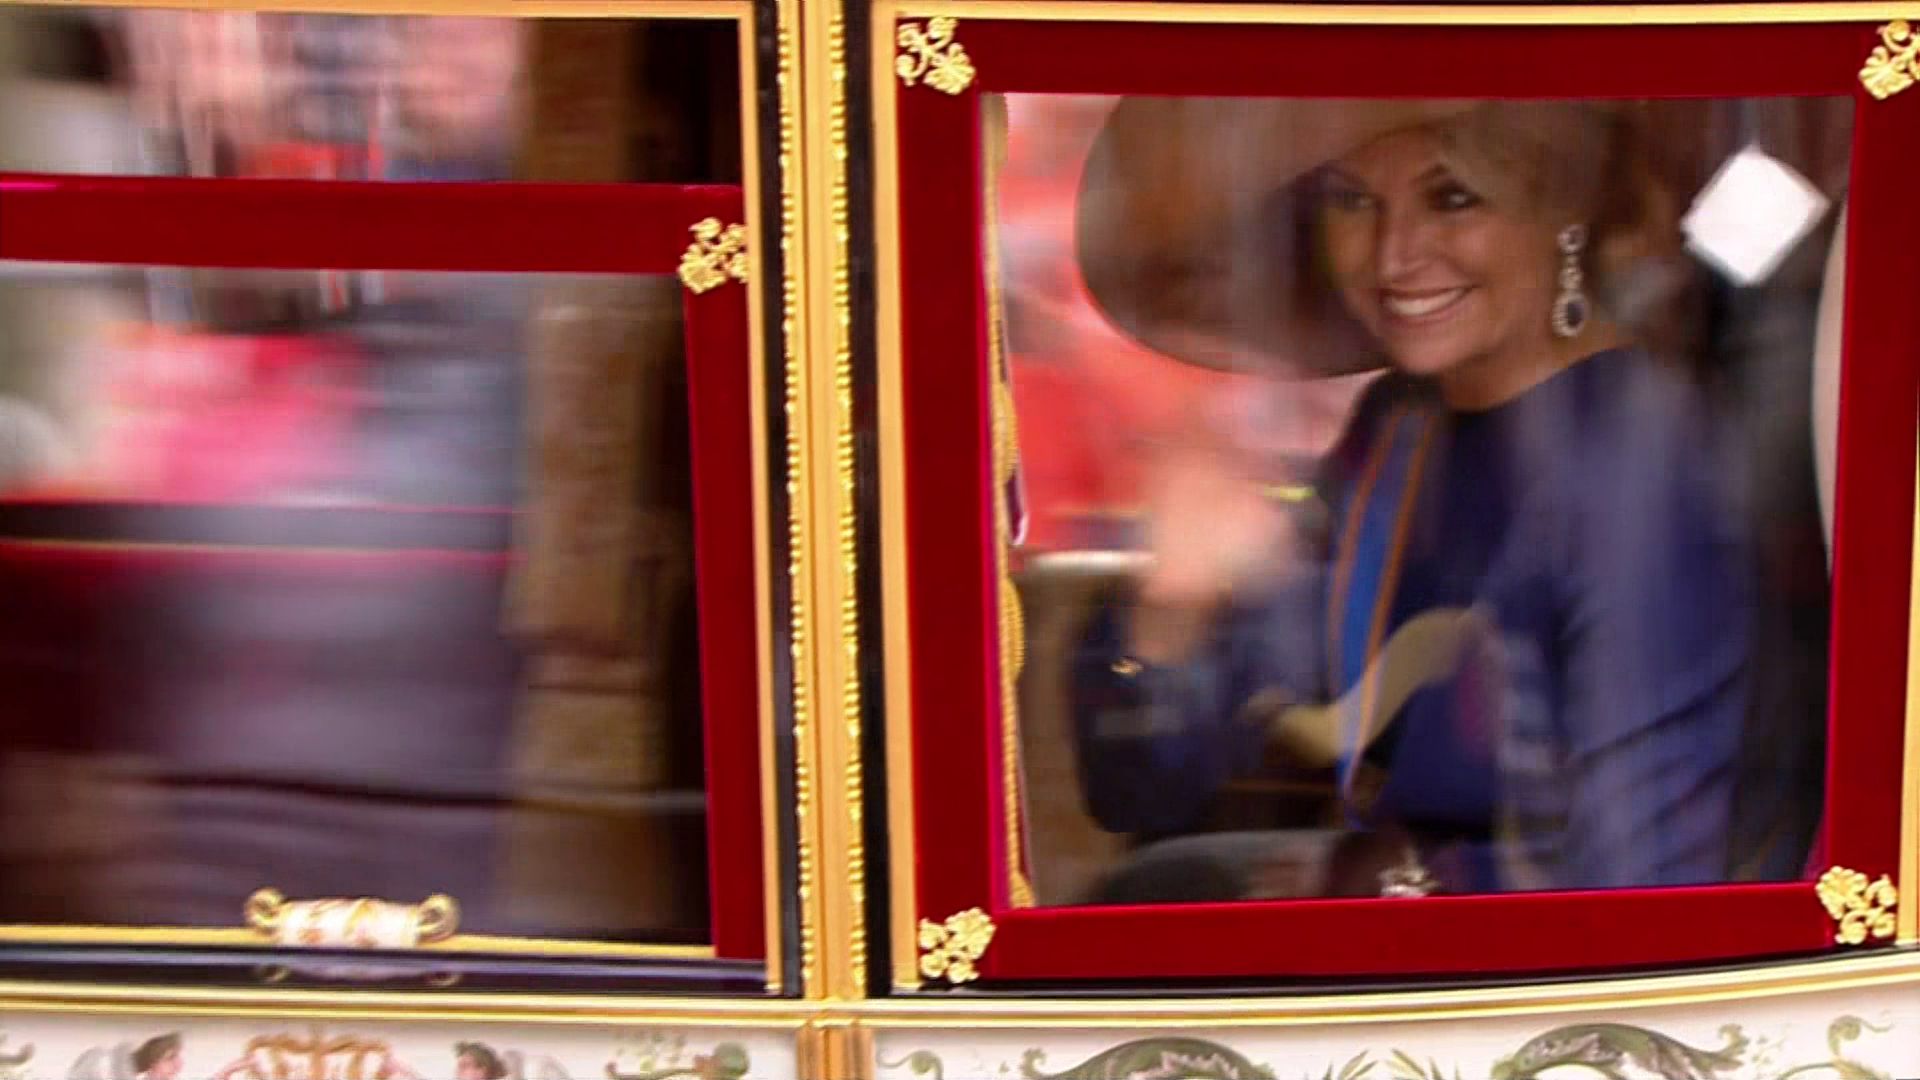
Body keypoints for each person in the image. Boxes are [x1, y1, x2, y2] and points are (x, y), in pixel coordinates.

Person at [1070, 99, 1822, 898]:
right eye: (1353, 199)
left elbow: (1638, 886)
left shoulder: (1641, 469)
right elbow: (1147, 789)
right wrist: (1172, 612)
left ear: (1565, 212)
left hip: (1545, 957)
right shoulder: (1399, 427)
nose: (1393, 256)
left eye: (1453, 198)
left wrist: (1372, 883)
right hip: (1414, 913)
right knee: (1151, 889)